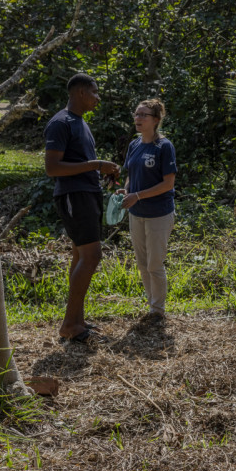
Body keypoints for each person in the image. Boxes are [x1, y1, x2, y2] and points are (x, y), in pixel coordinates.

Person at [45, 73, 119, 342]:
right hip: (73, 195)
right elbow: (52, 168)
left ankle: (77, 320)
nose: (98, 98)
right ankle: (69, 325)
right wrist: (96, 165)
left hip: (87, 193)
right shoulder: (60, 123)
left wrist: (102, 171)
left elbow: (81, 162)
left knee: (81, 256)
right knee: (92, 256)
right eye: (95, 92)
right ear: (80, 93)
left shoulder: (80, 123)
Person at [118, 98, 177, 323]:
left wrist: (138, 195)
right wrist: (125, 191)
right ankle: (151, 305)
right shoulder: (134, 144)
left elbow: (167, 184)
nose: (138, 119)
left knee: (155, 263)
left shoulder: (164, 147)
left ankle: (158, 311)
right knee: (142, 263)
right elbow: (130, 175)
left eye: (143, 115)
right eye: (136, 114)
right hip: (136, 213)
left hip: (159, 213)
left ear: (156, 120)